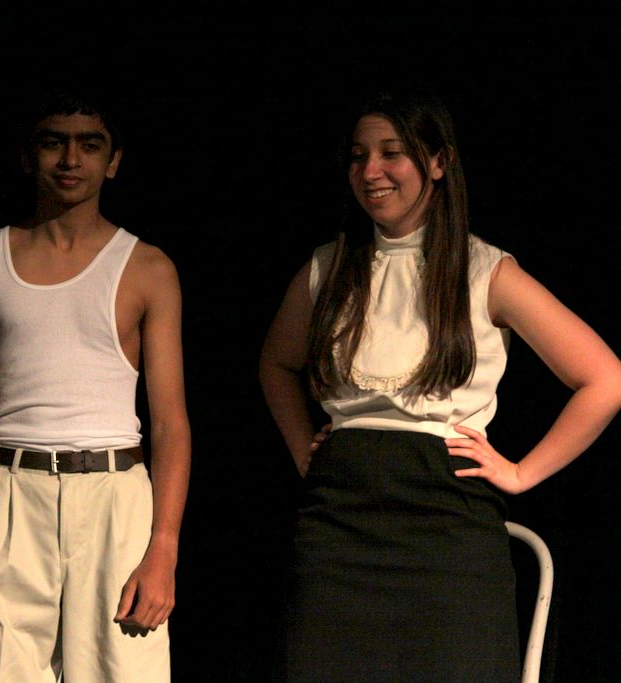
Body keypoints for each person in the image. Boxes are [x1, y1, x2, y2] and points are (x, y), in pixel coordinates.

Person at [259, 91, 621, 681]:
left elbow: (605, 379)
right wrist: (305, 448)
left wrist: (521, 472)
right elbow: (276, 364)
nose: (370, 171)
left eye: (391, 153)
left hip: (447, 531)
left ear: (437, 162)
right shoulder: (329, 267)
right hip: (338, 528)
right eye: (358, 156)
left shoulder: (485, 270)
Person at [0, 89, 191, 682]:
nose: (71, 159)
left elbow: (170, 422)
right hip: (8, 494)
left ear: (114, 160)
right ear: (28, 155)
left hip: (113, 501)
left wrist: (164, 547)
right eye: (54, 143)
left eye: (90, 145)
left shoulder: (148, 268)